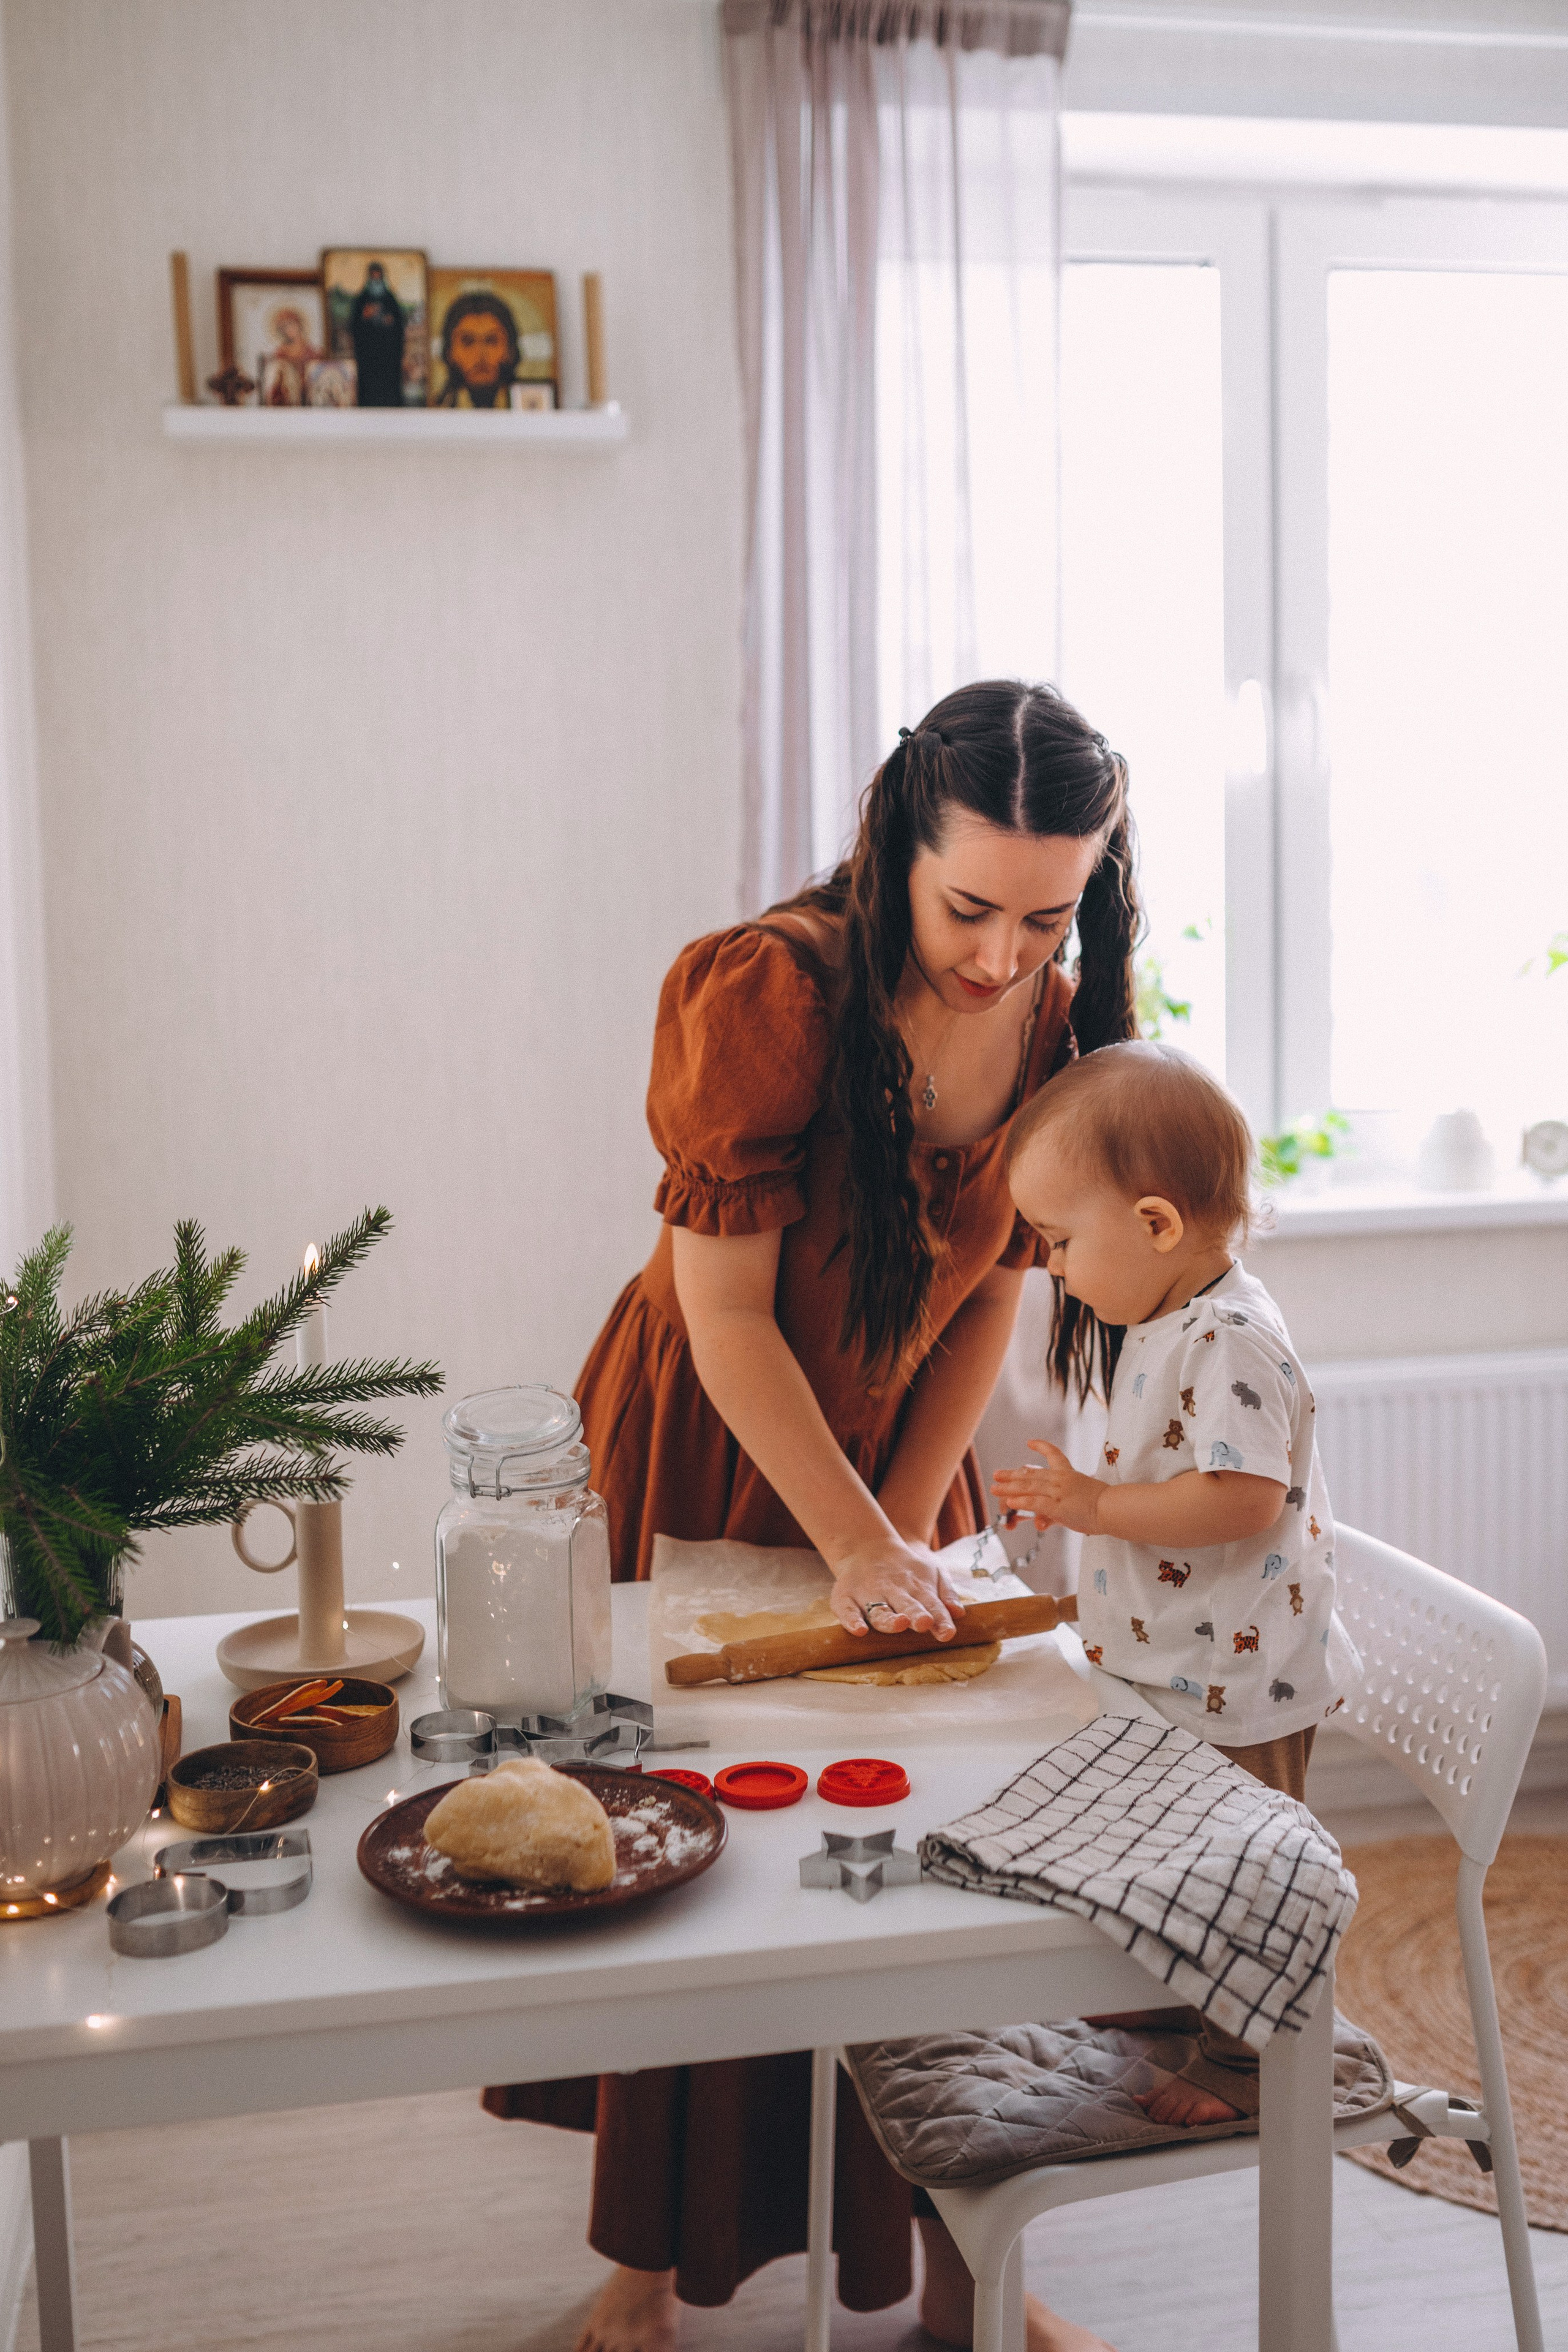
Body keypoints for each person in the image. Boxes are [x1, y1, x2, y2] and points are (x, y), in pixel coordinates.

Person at [484, 679, 1142, 2352]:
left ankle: (961, 2277)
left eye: (1047, 913)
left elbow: (996, 1285)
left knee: (928, 1864)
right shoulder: (769, 991)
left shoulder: (1059, 1018)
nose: (1003, 955)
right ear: (897, 848)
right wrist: (850, 1544)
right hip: (720, 1437)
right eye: (969, 908)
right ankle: (642, 2275)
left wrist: (905, 1531)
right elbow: (725, 1322)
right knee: (709, 1850)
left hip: (903, 1463)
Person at [993, 1041, 1358, 2127]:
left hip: (1239, 1680)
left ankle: (1248, 2066)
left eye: (1061, 1240)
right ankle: (1175, 1997)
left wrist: (1095, 1511)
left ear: (1154, 1225)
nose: (1052, 1267)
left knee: (1250, 1873)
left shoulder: (1232, 1338)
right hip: (1186, 1658)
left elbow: (1241, 1500)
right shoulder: (1169, 1320)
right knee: (1184, 1851)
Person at [435, 288, 520, 406]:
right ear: (450, 353)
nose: (480, 354)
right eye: (468, 342)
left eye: (492, 341)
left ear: (510, 351)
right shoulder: (437, 411)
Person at [349, 261, 405, 407]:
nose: (376, 281)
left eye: (378, 278)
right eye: (373, 278)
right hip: (368, 355)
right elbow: (354, 326)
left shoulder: (390, 299)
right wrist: (365, 317)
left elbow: (399, 325)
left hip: (388, 355)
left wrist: (390, 321)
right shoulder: (362, 300)